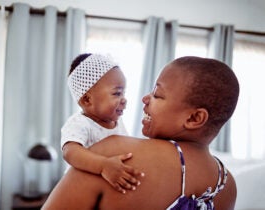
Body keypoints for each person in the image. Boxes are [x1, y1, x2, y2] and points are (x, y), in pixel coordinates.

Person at [42, 56, 239, 210]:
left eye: (157, 94)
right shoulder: (228, 187)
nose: (144, 98)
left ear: (194, 118)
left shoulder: (114, 153)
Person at [61, 53, 144, 194]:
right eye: (117, 94)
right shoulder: (80, 123)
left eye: (124, 93)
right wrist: (103, 166)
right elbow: (70, 152)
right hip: (79, 189)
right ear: (87, 100)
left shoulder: (118, 122)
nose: (124, 100)